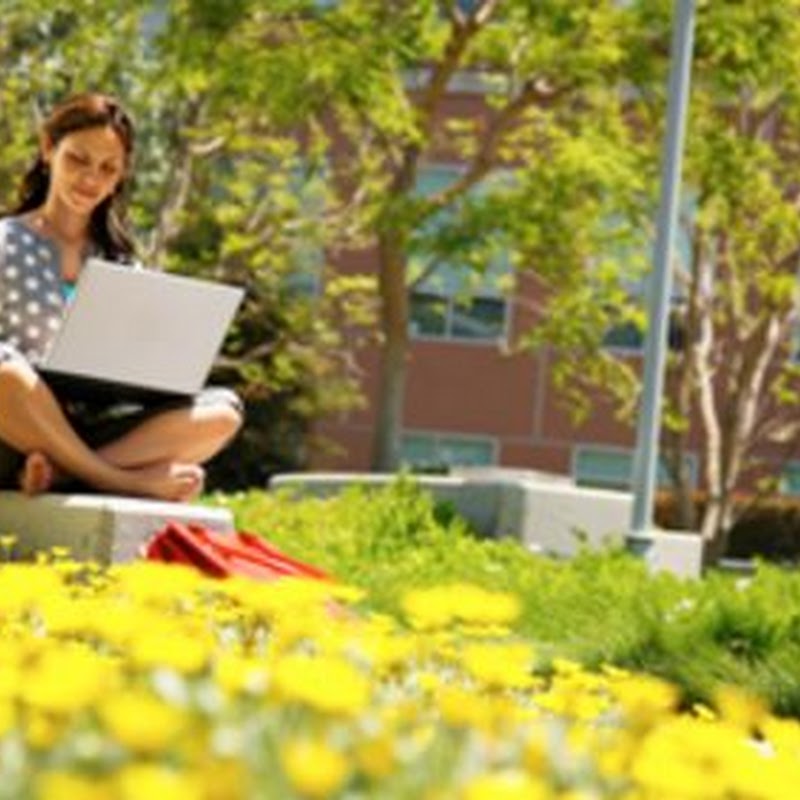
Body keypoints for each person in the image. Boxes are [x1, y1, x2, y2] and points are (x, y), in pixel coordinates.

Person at [0, 93, 243, 502]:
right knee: (5, 372)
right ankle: (116, 480)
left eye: (107, 168)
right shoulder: (5, 241)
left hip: (93, 428)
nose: (90, 179)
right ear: (48, 150)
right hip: (14, 430)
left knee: (223, 412)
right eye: (77, 159)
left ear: (119, 178)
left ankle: (64, 473)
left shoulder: (124, 265)